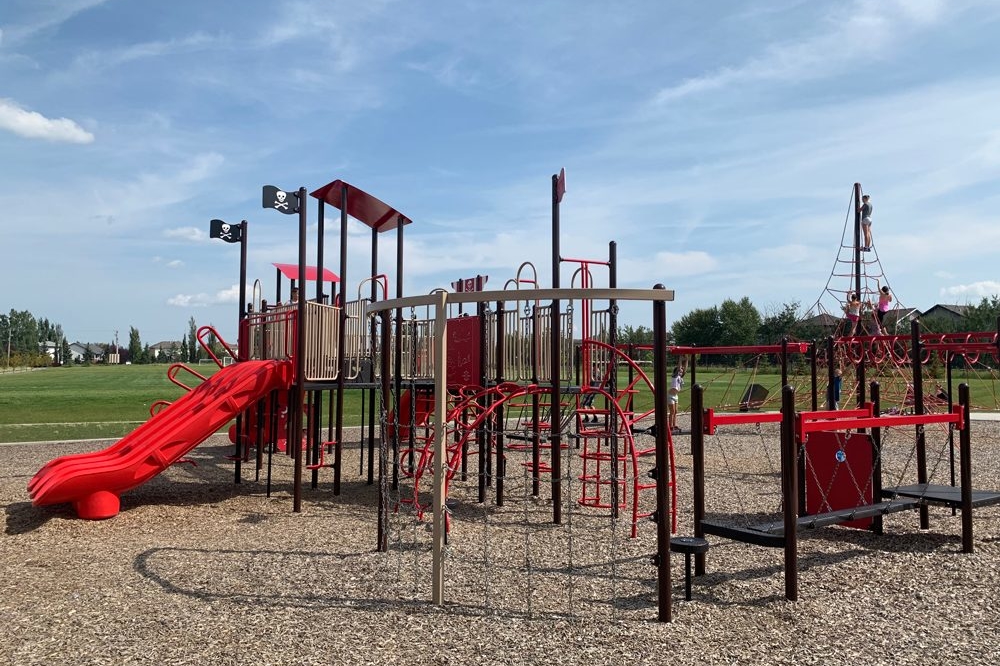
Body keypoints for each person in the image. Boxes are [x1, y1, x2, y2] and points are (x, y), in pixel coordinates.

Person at [668, 366, 685, 433]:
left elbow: (680, 388)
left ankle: (674, 425)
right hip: (670, 396)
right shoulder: (674, 376)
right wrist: (680, 358)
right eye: (680, 371)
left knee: (676, 412)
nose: (681, 373)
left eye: (681, 372)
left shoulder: (680, 379)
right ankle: (670, 426)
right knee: (672, 412)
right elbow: (678, 368)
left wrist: (686, 360)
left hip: (676, 396)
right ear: (676, 371)